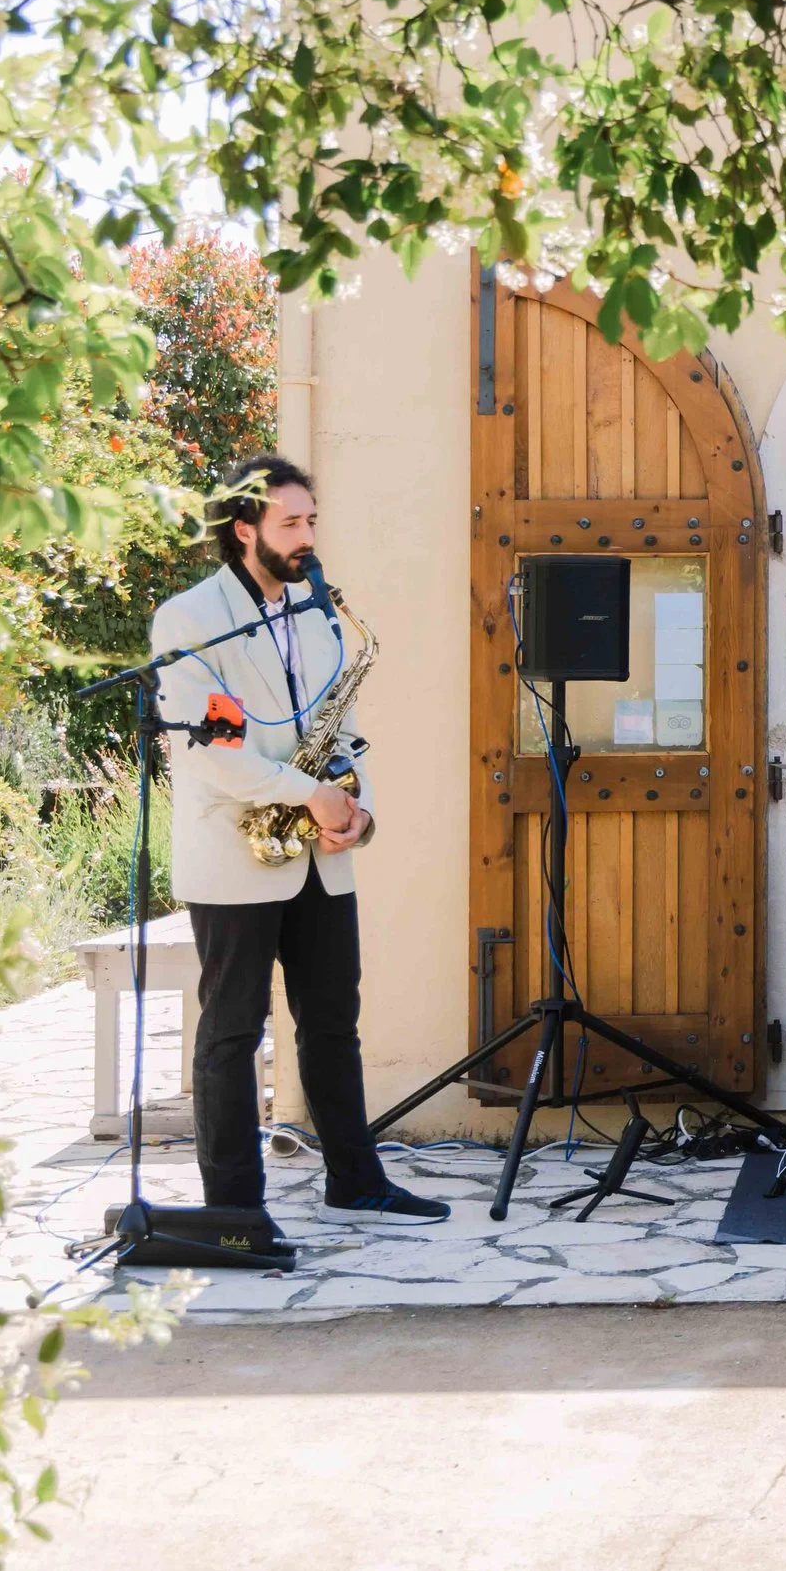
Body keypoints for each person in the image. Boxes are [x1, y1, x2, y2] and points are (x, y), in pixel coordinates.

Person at [151, 456, 449, 1226]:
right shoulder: (192, 621)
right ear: (243, 529)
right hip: (232, 860)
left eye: (312, 519)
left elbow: (345, 736)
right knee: (231, 1033)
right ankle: (235, 1207)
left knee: (331, 1023)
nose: (308, 535)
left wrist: (356, 809)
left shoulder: (319, 616)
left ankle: (355, 1179)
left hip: (318, 856)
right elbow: (214, 752)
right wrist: (307, 793)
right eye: (292, 522)